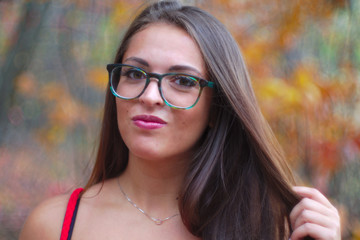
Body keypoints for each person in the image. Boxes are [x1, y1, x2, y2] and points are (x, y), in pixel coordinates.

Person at [20, 1, 341, 239]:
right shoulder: (52, 225)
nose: (150, 96)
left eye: (184, 81)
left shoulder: (272, 228)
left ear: (218, 108)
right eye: (134, 73)